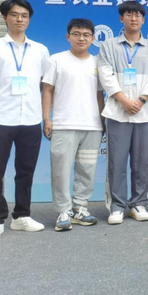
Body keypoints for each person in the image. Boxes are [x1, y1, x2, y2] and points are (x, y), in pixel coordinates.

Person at [0, 0, 49, 241]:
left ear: (29, 19)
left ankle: (21, 216)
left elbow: (44, 85)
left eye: (24, 15)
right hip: (1, 120)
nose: (20, 19)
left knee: (26, 171)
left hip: (31, 119)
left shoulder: (40, 50)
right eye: (15, 15)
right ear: (5, 17)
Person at [98, 0, 148, 225]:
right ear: (121, 18)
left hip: (143, 113)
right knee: (116, 160)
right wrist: (124, 100)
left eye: (138, 15)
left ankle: (138, 203)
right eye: (129, 14)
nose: (133, 18)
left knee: (142, 161)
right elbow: (105, 76)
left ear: (143, 20)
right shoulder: (108, 46)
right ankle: (117, 206)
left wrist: (141, 100)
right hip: (117, 112)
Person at [42, 18, 105, 231]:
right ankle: (63, 210)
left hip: (92, 126)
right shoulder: (56, 60)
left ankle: (80, 207)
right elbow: (47, 90)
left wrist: (102, 120)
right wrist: (47, 119)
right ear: (68, 36)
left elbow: (99, 94)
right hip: (64, 124)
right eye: (76, 34)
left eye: (86, 35)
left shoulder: (97, 62)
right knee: (61, 170)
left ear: (93, 38)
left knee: (87, 169)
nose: (81, 38)